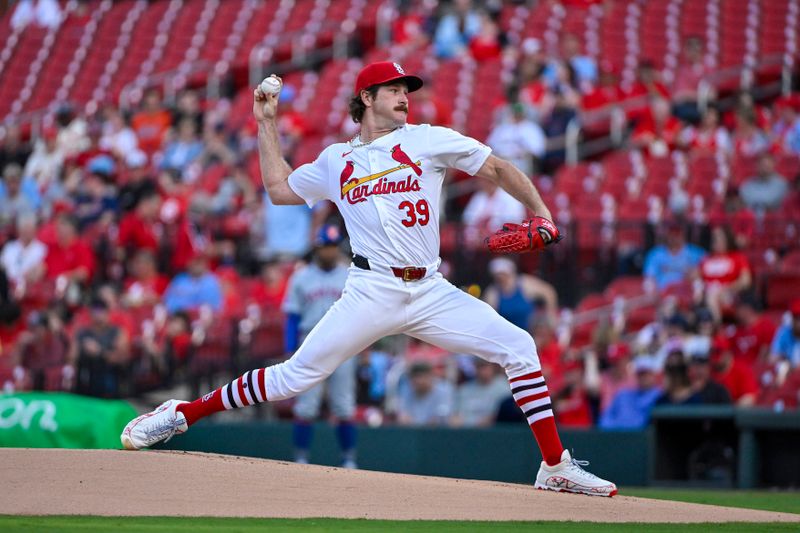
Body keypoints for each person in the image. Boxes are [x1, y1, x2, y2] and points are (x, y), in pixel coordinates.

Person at [122, 61, 616, 496]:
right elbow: (278, 189)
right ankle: (181, 415)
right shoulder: (337, 159)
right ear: (366, 98)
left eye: (408, 89)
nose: (405, 97)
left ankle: (555, 466)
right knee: (295, 378)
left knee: (520, 347)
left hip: (429, 289)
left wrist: (542, 213)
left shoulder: (427, 138)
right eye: (394, 88)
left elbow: (499, 167)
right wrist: (265, 123)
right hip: (371, 289)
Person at [284, 225, 358, 468]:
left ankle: (348, 459)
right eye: (327, 247)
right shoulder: (301, 276)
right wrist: (289, 347)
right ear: (318, 247)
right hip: (310, 341)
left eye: (334, 247)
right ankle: (301, 458)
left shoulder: (351, 274)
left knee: (344, 405)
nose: (330, 252)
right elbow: (292, 316)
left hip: (344, 342)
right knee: (306, 406)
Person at [482, 257, 558, 330]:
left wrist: (550, 315)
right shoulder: (492, 293)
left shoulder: (524, 283)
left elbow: (549, 292)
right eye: (497, 275)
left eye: (502, 274)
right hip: (509, 335)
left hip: (530, 332)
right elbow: (489, 319)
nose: (500, 277)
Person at [599, 356, 661, 430]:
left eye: (646, 374)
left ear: (654, 375)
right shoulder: (623, 395)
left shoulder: (659, 397)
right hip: (615, 437)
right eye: (640, 374)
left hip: (641, 438)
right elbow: (605, 419)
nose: (643, 377)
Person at [485, 102, 546, 177]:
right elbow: (489, 145)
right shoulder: (502, 128)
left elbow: (538, 151)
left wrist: (524, 153)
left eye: (519, 113)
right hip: (500, 162)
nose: (517, 115)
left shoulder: (532, 128)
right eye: (516, 113)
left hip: (521, 163)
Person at [643, 222, 706, 292]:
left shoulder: (696, 253)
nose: (674, 237)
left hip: (687, 292)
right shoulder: (655, 254)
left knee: (698, 283)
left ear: (683, 235)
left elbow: (704, 272)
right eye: (671, 233)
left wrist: (694, 273)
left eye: (677, 233)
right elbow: (650, 277)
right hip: (663, 293)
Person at [451, 358, 509, 427]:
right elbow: (456, 417)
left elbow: (497, 416)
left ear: (493, 367)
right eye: (479, 366)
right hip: (467, 432)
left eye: (485, 366)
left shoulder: (504, 387)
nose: (482, 371)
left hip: (494, 432)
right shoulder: (465, 389)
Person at [396, 361, 454, 426]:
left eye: (420, 376)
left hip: (439, 432)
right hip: (414, 432)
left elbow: (441, 418)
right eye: (413, 377)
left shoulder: (444, 390)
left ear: (430, 377)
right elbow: (403, 417)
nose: (417, 381)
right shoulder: (406, 390)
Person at [770, 299, 800, 368]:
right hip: (788, 374)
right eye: (796, 318)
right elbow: (772, 358)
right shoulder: (784, 332)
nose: (798, 322)